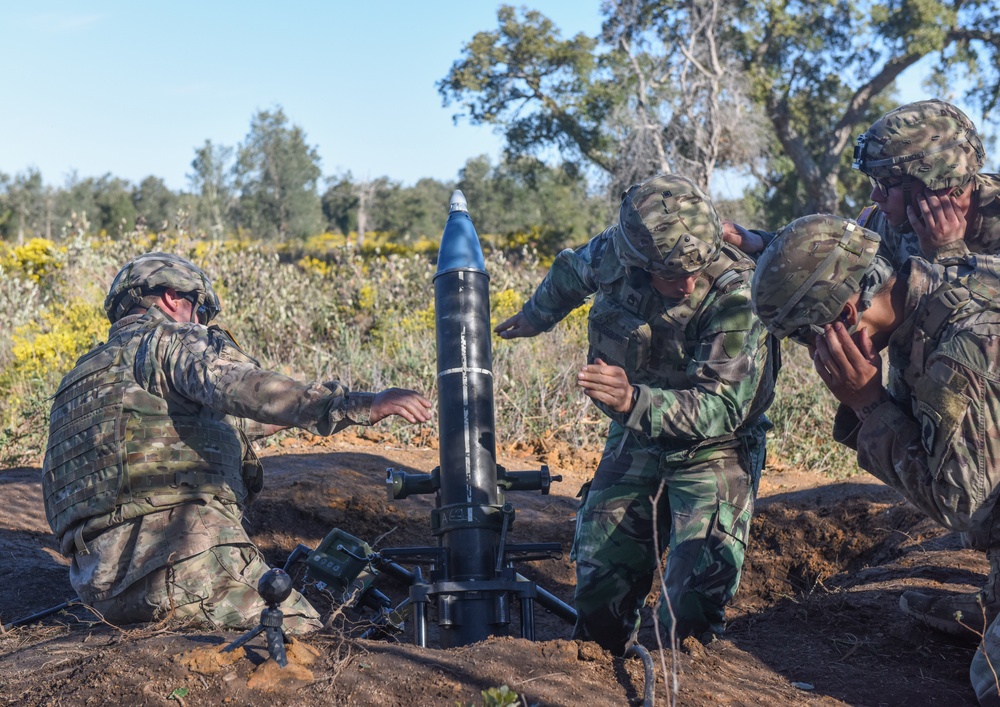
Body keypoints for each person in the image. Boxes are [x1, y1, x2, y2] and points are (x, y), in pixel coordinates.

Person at [41, 252, 432, 634]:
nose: (198, 320)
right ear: (172, 298)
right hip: (187, 560)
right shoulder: (170, 340)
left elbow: (228, 421)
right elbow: (242, 387)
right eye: (197, 309)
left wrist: (294, 417)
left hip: (101, 588)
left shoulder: (81, 380)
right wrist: (357, 404)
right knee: (304, 635)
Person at [494, 174, 777, 653]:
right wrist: (537, 315)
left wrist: (632, 401)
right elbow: (570, 274)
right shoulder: (615, 253)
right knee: (601, 583)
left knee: (688, 610)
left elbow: (721, 407)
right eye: (672, 273)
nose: (687, 283)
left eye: (696, 267)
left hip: (716, 446)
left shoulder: (737, 294)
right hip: (637, 437)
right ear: (638, 264)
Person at [750, 214, 1000, 705]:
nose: (814, 349)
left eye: (808, 336)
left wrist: (868, 404)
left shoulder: (962, 348)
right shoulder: (934, 296)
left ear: (845, 314)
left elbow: (964, 504)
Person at [725, 99, 999, 265]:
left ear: (938, 182)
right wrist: (762, 242)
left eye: (886, 184)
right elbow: (835, 259)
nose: (874, 198)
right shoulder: (893, 222)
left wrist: (947, 254)